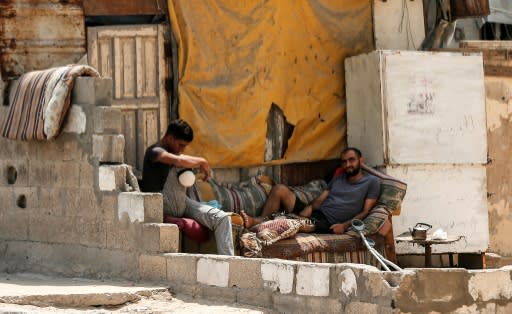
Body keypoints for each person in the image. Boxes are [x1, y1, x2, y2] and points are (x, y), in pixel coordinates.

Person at [141, 119, 234, 255]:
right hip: (162, 205)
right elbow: (177, 160)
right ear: (170, 138)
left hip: (182, 203)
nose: (182, 149)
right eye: (180, 145)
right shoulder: (154, 152)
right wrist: (202, 161)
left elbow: (180, 158)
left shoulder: (175, 153)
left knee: (222, 218)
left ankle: (228, 264)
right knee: (179, 164)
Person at [241, 147, 381, 234]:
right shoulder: (339, 179)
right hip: (316, 213)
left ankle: (254, 223)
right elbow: (321, 199)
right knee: (279, 190)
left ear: (361, 160)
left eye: (352, 160)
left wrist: (344, 226)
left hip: (327, 222)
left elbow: (365, 212)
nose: (348, 165)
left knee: (290, 221)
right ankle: (260, 220)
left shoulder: (371, 182)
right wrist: (309, 207)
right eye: (344, 162)